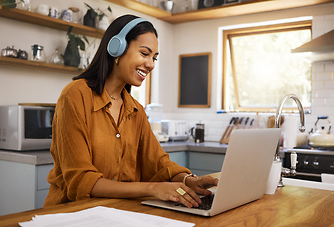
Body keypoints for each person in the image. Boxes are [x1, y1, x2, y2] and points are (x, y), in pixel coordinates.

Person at [44, 14, 218, 208]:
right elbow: (81, 180)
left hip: (121, 213)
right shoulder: (76, 95)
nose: (151, 64)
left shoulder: (136, 110)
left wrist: (189, 180)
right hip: (71, 215)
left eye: (154, 58)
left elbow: (159, 163)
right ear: (116, 48)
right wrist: (152, 189)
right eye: (144, 54)